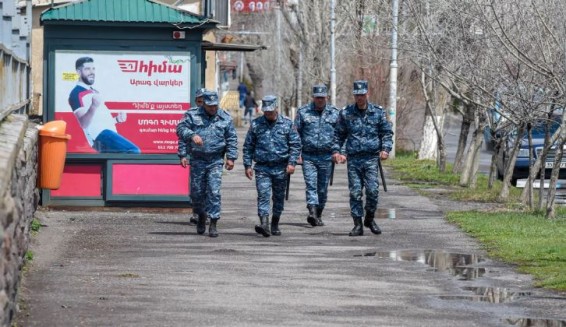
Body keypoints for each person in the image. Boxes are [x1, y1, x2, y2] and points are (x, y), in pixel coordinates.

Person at [333, 80, 393, 236]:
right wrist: (337, 152)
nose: (360, 97)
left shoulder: (378, 112)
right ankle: (357, 224)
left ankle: (370, 218)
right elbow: (339, 135)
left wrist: (385, 149)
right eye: (357, 95)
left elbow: (386, 133)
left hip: (371, 158)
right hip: (353, 159)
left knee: (373, 191)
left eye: (362, 94)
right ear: (354, 95)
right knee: (355, 192)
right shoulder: (346, 113)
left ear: (368, 94)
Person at [176, 91, 238, 237]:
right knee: (196, 193)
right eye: (209, 106)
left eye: (214, 106)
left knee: (214, 191)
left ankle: (214, 222)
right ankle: (201, 215)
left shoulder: (225, 117)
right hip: (198, 159)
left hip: (215, 160)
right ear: (203, 103)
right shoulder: (192, 115)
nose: (212, 108)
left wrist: (231, 158)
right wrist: (191, 136)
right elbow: (180, 129)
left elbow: (231, 139)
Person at [243, 95, 301, 237]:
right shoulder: (256, 124)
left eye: (270, 110)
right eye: (266, 111)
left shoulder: (287, 124)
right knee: (263, 195)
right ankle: (264, 224)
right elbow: (248, 146)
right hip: (262, 167)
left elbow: (295, 145)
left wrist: (292, 163)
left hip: (281, 167)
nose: (268, 113)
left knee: (278, 197)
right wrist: (247, 165)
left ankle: (275, 222)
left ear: (276, 108)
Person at [68, 57, 140, 154]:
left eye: (93, 69)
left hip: (106, 133)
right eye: (87, 69)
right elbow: (84, 124)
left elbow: (98, 121)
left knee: (115, 164)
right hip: (100, 135)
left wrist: (117, 120)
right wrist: (93, 106)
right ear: (79, 72)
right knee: (133, 151)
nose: (92, 72)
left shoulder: (93, 91)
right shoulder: (76, 93)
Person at [294, 84, 340, 227]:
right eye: (317, 98)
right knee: (311, 185)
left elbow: (340, 134)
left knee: (322, 188)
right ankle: (312, 212)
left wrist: (337, 151)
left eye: (322, 97)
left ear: (326, 97)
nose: (320, 100)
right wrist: (297, 153)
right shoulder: (303, 112)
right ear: (313, 97)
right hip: (308, 156)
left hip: (327, 157)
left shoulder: (335, 113)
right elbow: (295, 135)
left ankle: (319, 213)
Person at [177, 87, 207, 225]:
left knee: (211, 187)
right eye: (200, 101)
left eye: (204, 101)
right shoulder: (190, 115)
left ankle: (206, 213)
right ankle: (196, 212)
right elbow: (183, 136)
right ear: (196, 101)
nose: (202, 104)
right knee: (196, 187)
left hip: (212, 158)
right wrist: (183, 154)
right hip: (195, 156)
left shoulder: (215, 114)